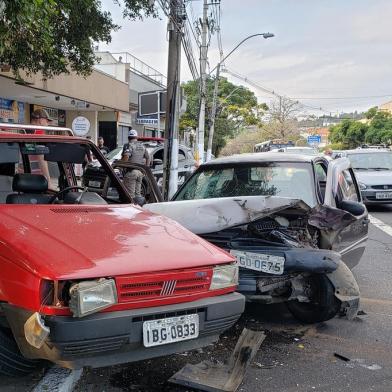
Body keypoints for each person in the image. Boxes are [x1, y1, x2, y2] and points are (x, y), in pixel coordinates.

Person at [122, 130, 150, 200]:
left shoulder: (128, 145)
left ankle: (131, 209)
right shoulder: (142, 145)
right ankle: (139, 208)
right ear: (136, 137)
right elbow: (148, 157)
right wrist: (145, 170)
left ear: (128, 137)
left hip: (131, 172)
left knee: (130, 196)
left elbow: (126, 156)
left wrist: (123, 166)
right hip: (140, 172)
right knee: (138, 195)